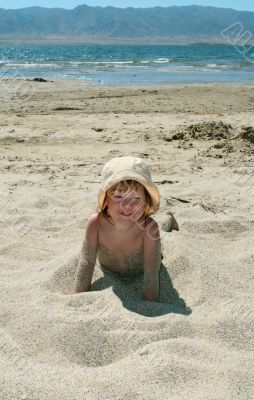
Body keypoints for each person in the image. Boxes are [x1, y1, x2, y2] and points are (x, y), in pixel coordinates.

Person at [74, 156, 161, 302]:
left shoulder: (149, 229)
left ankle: (168, 221)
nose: (127, 205)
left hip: (139, 273)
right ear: (106, 199)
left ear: (146, 202)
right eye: (119, 197)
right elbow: (86, 262)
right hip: (110, 273)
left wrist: (150, 306)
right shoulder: (95, 224)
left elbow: (152, 270)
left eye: (136, 198)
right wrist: (78, 298)